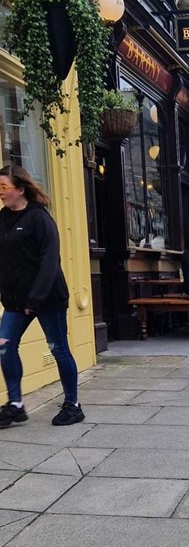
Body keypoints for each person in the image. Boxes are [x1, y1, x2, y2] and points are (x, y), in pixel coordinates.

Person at [0, 163, 84, 428]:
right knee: (4, 346)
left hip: (47, 299)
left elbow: (50, 262)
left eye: (4, 187)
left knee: (59, 349)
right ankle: (16, 405)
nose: (0, 193)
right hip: (15, 300)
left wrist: (34, 299)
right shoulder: (3, 218)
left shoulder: (39, 218)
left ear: (21, 190)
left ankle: (73, 405)